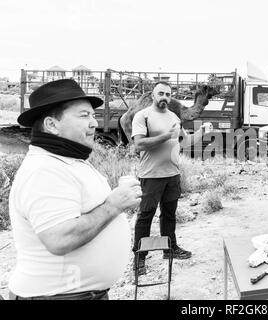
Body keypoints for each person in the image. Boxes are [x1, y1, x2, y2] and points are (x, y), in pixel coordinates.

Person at [8, 79, 142, 300]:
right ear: (52, 125)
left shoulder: (64, 159)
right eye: (83, 116)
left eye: (92, 115)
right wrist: (113, 205)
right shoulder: (45, 169)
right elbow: (60, 239)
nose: (93, 123)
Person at [132, 81, 208, 274]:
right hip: (151, 176)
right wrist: (166, 136)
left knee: (169, 214)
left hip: (172, 175)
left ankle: (170, 249)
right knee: (145, 216)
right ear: (153, 95)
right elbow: (139, 145)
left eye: (168, 94)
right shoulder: (143, 116)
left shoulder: (174, 116)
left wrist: (202, 131)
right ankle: (139, 258)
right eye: (161, 93)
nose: (164, 97)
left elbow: (187, 141)